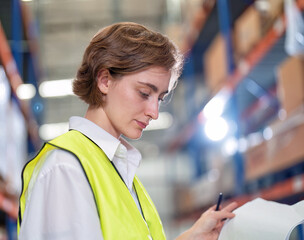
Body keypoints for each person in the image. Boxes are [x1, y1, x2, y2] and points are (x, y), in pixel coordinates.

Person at [18, 22, 237, 240]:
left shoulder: (115, 167)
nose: (154, 112)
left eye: (160, 98)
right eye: (144, 93)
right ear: (105, 81)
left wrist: (191, 237)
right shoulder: (67, 169)